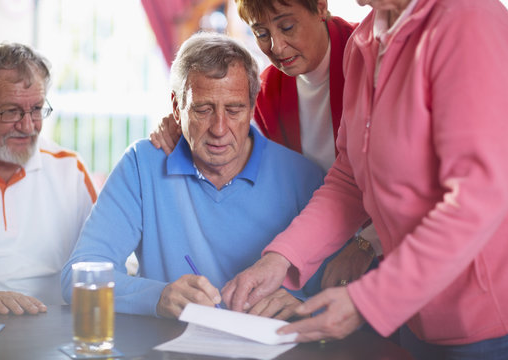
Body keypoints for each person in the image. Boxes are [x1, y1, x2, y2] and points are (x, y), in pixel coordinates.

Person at [222, 0, 508, 358]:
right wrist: (281, 258)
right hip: (416, 316)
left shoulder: (469, 22)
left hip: (488, 324)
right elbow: (349, 178)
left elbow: (477, 198)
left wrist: (369, 299)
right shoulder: (365, 40)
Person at [60, 32, 327, 319]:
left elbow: (345, 284)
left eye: (234, 110)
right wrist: (157, 297)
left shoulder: (303, 177)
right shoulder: (141, 166)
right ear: (176, 108)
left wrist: (307, 308)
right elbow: (77, 277)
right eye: (203, 109)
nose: (219, 128)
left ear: (251, 108)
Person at [150, 0, 381, 288]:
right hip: (319, 247)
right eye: (261, 33)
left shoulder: (369, 51)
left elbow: (404, 175)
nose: (278, 47)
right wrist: (181, 121)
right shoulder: (266, 90)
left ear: (321, 6)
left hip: (387, 242)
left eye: (287, 27)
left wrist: (367, 243)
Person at [0, 43, 97, 315]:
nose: (27, 125)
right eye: (11, 111)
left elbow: (106, 261)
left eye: (36, 109)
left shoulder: (70, 169)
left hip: (54, 329)